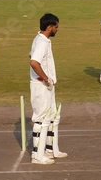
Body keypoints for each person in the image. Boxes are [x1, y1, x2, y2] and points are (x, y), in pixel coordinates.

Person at [29, 13, 68, 165]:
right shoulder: (42, 42)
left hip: (48, 86)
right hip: (41, 87)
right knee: (41, 119)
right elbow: (34, 62)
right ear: (49, 27)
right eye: (56, 27)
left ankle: (51, 150)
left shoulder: (42, 39)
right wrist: (45, 78)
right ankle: (37, 156)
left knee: (53, 117)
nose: (58, 29)